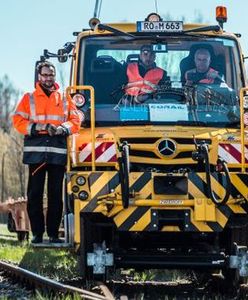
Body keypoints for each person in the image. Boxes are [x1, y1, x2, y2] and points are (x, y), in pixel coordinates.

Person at [12, 61, 80, 244]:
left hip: (57, 154)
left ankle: (52, 234)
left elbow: (75, 121)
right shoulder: (29, 98)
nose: (48, 78)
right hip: (36, 155)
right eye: (45, 75)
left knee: (55, 195)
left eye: (51, 75)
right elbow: (17, 121)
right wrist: (38, 127)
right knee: (34, 194)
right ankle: (37, 234)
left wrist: (62, 129)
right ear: (39, 76)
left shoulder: (65, 98)